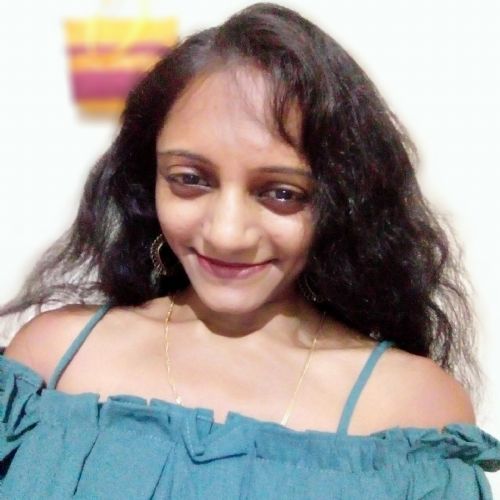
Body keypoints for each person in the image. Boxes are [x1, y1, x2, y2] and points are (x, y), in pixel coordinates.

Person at [0, 3, 498, 498]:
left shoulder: (411, 412)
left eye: (281, 192)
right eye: (190, 179)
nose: (227, 234)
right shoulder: (53, 361)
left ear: (341, 200)